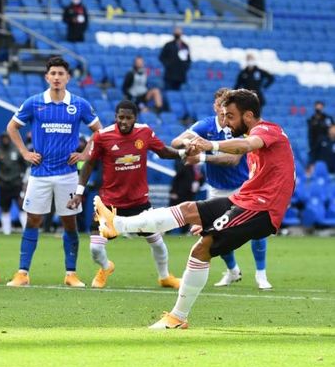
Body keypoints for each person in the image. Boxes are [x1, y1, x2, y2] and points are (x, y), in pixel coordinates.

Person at [95, 89, 295, 329]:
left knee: (202, 248)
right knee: (189, 209)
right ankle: (118, 225)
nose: (227, 122)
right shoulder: (259, 145)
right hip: (245, 200)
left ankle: (177, 317)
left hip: (262, 210)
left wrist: (210, 145)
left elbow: (245, 145)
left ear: (249, 116)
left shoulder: (266, 131)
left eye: (231, 116)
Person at [6, 56, 103, 287]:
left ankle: (71, 274)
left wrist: (85, 154)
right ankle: (22, 273)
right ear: (46, 77)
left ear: (68, 77)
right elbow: (12, 127)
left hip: (68, 175)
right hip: (40, 173)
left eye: (61, 74)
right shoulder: (34, 103)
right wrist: (25, 153)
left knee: (70, 223)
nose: (57, 78)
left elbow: (99, 131)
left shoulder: (79, 104)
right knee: (33, 220)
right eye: (53, 74)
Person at [68, 100, 183, 289]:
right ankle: (106, 267)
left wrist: (184, 154)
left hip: (139, 203)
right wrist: (79, 192)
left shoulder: (144, 132)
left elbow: (163, 152)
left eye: (128, 118)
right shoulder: (103, 136)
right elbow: (88, 164)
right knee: (95, 248)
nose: (124, 121)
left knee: (157, 243)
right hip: (109, 205)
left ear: (135, 118)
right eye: (120, 117)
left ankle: (165, 277)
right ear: (115, 117)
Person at [172, 88, 272, 290]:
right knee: (217, 232)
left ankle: (261, 275)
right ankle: (233, 271)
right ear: (215, 106)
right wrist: (189, 143)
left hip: (243, 187)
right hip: (216, 189)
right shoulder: (207, 125)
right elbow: (175, 142)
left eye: (227, 108)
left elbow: (233, 160)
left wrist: (201, 156)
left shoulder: (240, 127)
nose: (223, 111)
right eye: (220, 106)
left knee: (258, 232)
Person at [0, 132, 27, 235]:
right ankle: (6, 232)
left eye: (7, 138)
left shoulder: (16, 150)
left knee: (21, 206)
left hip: (16, 183)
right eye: (3, 138)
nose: (5, 140)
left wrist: (22, 177)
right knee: (4, 208)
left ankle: (26, 230)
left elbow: (24, 165)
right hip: (3, 184)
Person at [159, 27, 191, 91]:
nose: (177, 33)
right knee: (168, 92)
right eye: (176, 32)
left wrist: (185, 67)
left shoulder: (185, 46)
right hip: (170, 75)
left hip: (180, 76)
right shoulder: (168, 45)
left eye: (179, 32)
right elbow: (161, 57)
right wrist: (168, 65)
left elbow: (188, 60)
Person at [307, 101, 334, 167]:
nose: (318, 108)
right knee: (315, 163)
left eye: (320, 107)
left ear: (322, 107)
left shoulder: (328, 118)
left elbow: (332, 128)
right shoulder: (311, 120)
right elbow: (310, 134)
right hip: (315, 145)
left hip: (327, 143)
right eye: (317, 107)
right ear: (314, 107)